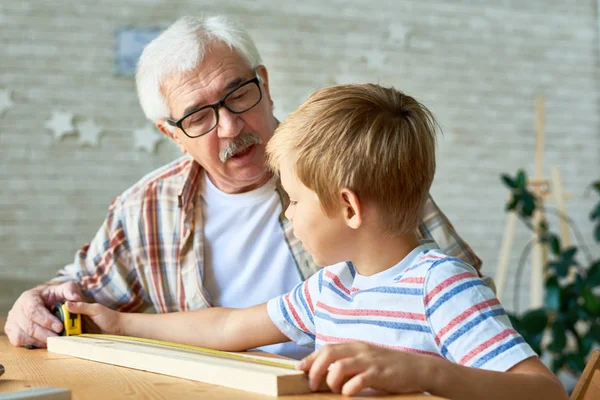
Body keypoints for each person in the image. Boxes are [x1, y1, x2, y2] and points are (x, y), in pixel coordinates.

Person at [5, 16, 482, 358]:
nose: (231, 126)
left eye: (239, 94)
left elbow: (462, 300)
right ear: (171, 134)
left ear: (266, 83)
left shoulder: (353, 168)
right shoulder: (144, 208)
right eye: (198, 116)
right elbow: (85, 295)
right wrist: (35, 303)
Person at [65, 83, 567, 399]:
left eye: (296, 200)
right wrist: (118, 322)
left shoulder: (443, 286)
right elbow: (225, 327)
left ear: (348, 207)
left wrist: (423, 373)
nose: (289, 212)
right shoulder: (329, 289)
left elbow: (542, 391)